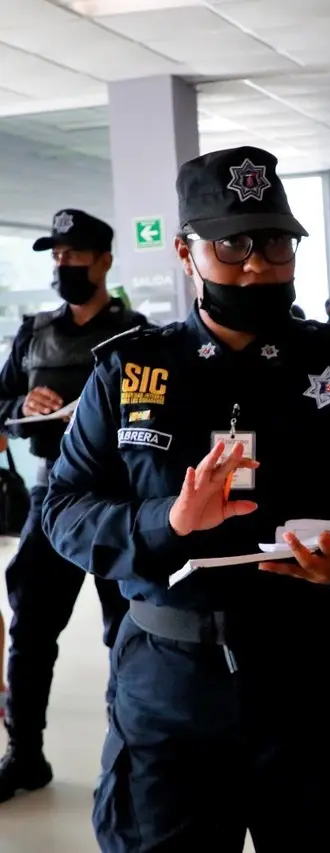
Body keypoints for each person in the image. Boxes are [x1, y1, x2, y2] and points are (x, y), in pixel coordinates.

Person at [41, 146, 330, 852]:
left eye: (276, 242)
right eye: (233, 244)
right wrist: (170, 521)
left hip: (320, 686)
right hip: (169, 689)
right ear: (186, 252)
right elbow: (63, 509)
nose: (257, 264)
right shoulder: (131, 371)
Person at [0, 208, 143, 803]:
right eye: (56, 256)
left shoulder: (137, 334)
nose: (63, 265)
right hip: (50, 495)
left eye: (74, 254)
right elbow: (2, 401)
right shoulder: (33, 330)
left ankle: (132, 757)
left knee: (127, 632)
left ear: (104, 260)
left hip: (118, 499)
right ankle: (25, 754)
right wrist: (26, 404)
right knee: (31, 629)